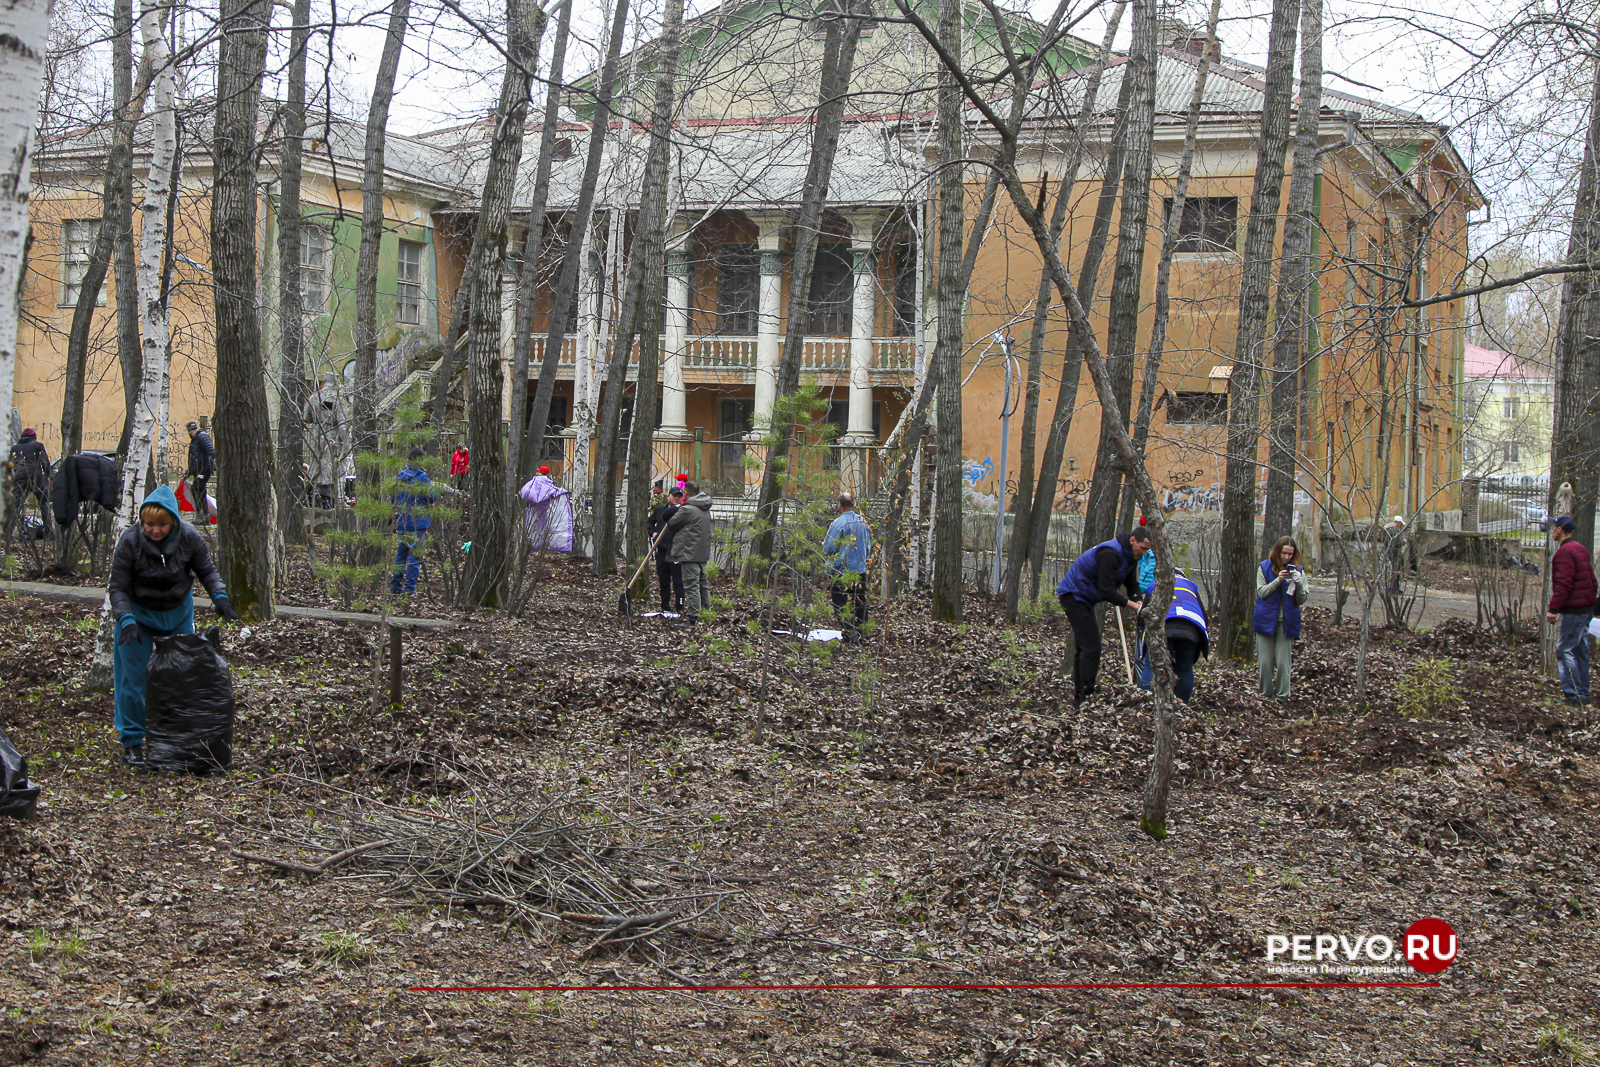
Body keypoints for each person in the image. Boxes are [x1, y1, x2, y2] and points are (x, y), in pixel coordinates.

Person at [108, 485, 240, 769]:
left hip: (177, 612)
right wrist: (126, 619)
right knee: (134, 680)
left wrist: (220, 598)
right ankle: (132, 743)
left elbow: (207, 570)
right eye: (149, 524)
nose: (155, 530)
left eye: (162, 524)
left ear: (173, 522)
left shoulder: (189, 538)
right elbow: (117, 587)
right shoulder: (129, 542)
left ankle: (178, 741)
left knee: (181, 676)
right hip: (137, 616)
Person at [1056, 528, 1151, 707]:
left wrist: (1139, 601)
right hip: (1074, 595)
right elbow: (1107, 591)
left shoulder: (1132, 557)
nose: (1144, 553)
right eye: (1143, 548)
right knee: (1091, 647)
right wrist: (1132, 606)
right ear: (1133, 540)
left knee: (1085, 647)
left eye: (1148, 550)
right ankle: (1086, 696)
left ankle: (1081, 695)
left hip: (1086, 598)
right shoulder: (1110, 554)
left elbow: (1131, 584)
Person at [1135, 568, 1210, 703]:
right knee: (1185, 669)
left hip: (1163, 626)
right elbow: (1205, 618)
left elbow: (1142, 616)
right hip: (1191, 628)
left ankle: (1146, 702)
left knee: (1150, 666)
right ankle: (1183, 706)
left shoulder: (1155, 585)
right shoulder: (1191, 586)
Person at [1545, 515, 1597, 706]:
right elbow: (1592, 581)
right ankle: (1583, 694)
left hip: (1574, 610)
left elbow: (1564, 583)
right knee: (1580, 650)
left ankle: (1573, 695)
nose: (1552, 531)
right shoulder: (1581, 549)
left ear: (1560, 530)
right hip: (1585, 608)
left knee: (1565, 650)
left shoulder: (1565, 553)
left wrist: (1553, 609)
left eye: (1554, 528)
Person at [1254, 535, 1309, 702]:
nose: (1286, 557)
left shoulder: (1298, 571)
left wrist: (1298, 583)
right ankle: (1266, 695)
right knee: (1265, 663)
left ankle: (1282, 697)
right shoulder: (1264, 568)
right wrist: (1278, 580)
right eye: (1284, 553)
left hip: (1286, 622)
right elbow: (1262, 592)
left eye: (1290, 554)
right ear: (1277, 552)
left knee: (1284, 663)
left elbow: (1301, 599)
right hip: (1265, 620)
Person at [822, 491, 872, 642]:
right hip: (860, 569)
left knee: (840, 602)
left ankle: (849, 633)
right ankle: (863, 633)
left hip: (842, 570)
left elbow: (828, 548)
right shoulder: (863, 522)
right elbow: (868, 547)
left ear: (840, 505)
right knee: (860, 601)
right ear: (853, 504)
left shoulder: (838, 524)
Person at [666, 480, 713, 625]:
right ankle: (706, 613)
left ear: (686, 493)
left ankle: (694, 617)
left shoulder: (687, 509)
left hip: (689, 553)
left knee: (692, 585)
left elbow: (672, 524)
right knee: (703, 585)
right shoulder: (705, 508)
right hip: (701, 554)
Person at [392, 447, 434, 596]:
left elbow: (393, 498)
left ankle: (395, 586)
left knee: (401, 556)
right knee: (414, 558)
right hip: (418, 523)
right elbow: (431, 498)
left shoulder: (400, 476)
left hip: (403, 522)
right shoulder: (423, 477)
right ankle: (410, 589)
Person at [7, 428, 53, 538]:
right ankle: (48, 533)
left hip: (20, 477)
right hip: (35, 476)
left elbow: (9, 466)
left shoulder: (15, 448)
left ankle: (8, 534)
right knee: (44, 504)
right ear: (34, 437)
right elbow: (45, 462)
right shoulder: (38, 446)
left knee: (16, 506)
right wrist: (47, 476)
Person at [649, 486, 685, 613]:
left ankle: (680, 608)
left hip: (676, 552)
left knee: (678, 581)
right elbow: (650, 522)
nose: (676, 498)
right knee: (664, 580)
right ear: (668, 496)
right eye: (674, 495)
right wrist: (653, 533)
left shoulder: (684, 512)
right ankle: (665, 607)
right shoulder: (659, 510)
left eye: (679, 496)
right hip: (662, 551)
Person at [185, 421, 215, 519]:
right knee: (199, 489)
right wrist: (189, 472)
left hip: (204, 470)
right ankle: (202, 513)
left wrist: (207, 468)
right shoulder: (196, 439)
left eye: (192, 430)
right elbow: (195, 458)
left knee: (196, 488)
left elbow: (211, 452)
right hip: (200, 469)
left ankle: (203, 514)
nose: (191, 433)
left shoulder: (202, 437)